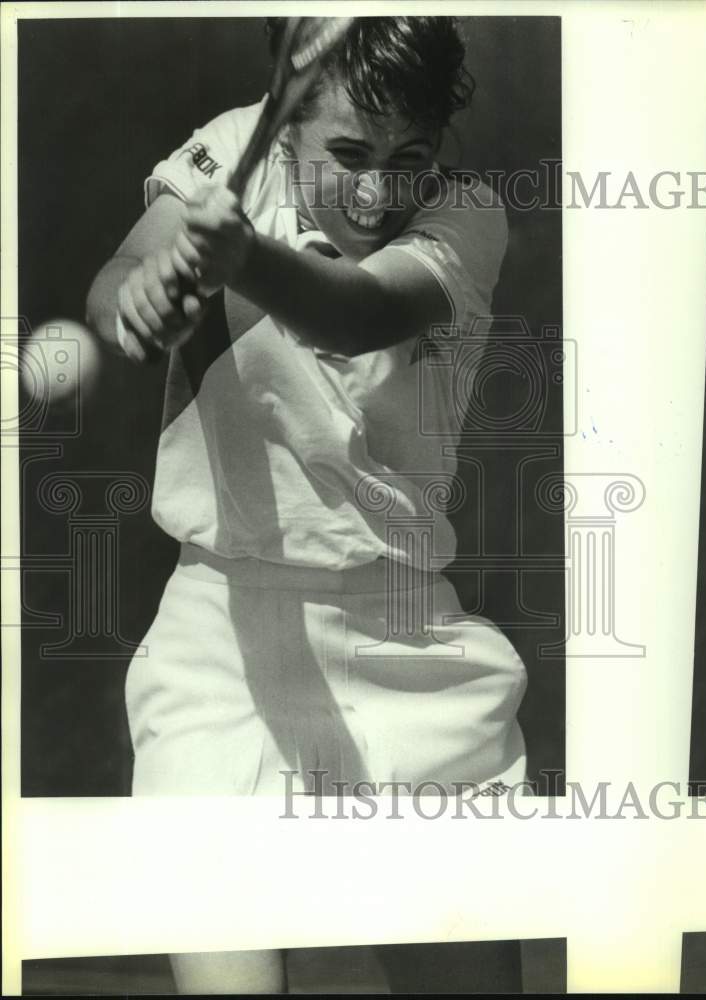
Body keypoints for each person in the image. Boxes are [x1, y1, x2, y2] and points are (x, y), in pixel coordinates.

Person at [86, 15, 528, 995]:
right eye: (348, 154)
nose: (378, 191)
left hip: (401, 647)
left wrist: (241, 260)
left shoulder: (468, 216)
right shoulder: (228, 145)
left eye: (406, 156)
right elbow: (121, 274)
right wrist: (139, 298)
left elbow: (356, 311)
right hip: (219, 654)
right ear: (284, 131)